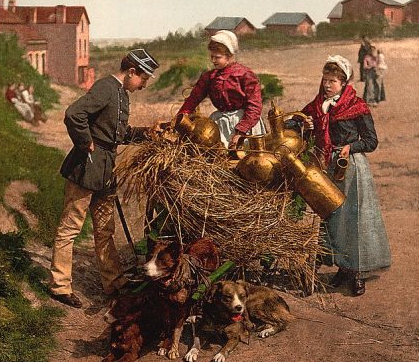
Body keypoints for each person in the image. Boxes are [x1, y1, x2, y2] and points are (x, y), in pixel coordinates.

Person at [49, 49, 160, 308]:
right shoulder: (106, 88)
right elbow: (73, 114)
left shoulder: (121, 93)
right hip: (86, 167)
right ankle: (59, 286)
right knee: (70, 228)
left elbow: (116, 133)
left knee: (105, 229)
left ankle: (114, 282)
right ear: (131, 72)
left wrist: (148, 134)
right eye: (143, 79)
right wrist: (85, 142)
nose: (143, 85)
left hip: (106, 170)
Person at [297, 55, 391, 296]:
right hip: (328, 168)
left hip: (352, 168)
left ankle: (357, 273)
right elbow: (299, 126)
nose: (327, 85)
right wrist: (305, 126)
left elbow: (371, 141)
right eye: (325, 80)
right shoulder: (316, 106)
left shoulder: (356, 106)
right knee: (333, 219)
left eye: (333, 81)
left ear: (344, 83)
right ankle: (343, 267)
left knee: (355, 219)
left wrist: (351, 148)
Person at [176, 30, 265, 149]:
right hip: (220, 124)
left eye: (217, 57)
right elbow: (192, 100)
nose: (213, 60)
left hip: (244, 122)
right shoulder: (209, 77)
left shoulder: (245, 75)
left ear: (229, 56)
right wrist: (178, 120)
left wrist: (240, 131)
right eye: (211, 56)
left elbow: (254, 106)